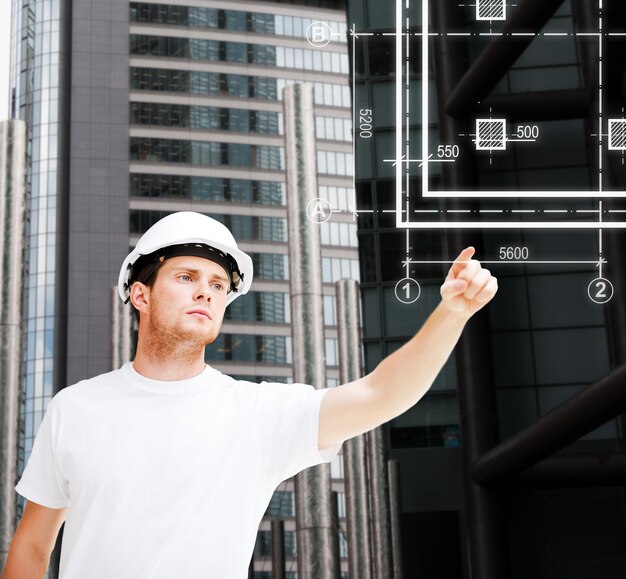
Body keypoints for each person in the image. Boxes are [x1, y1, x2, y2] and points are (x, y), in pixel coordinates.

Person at [1, 211, 498, 579]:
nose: (206, 292)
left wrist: (450, 314)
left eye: (218, 284)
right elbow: (30, 549)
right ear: (141, 294)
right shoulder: (76, 408)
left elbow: (380, 394)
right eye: (186, 277)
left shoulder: (255, 413)